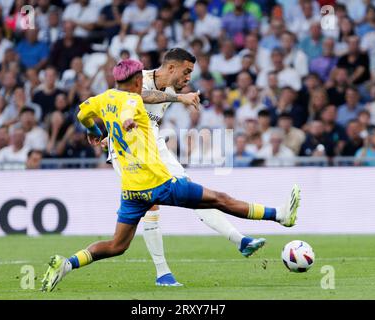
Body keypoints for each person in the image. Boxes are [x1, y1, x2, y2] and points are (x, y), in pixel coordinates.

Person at [41, 59, 301, 292]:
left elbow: (81, 112)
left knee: (117, 245)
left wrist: (94, 131)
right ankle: (279, 216)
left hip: (132, 192)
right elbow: (131, 108)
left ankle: (67, 264)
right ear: (136, 82)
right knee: (220, 198)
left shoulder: (102, 98)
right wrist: (128, 121)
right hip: (160, 185)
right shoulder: (132, 100)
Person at [107, 49, 263, 287]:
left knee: (193, 192)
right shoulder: (141, 79)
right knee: (151, 202)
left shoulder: (171, 90)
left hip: (154, 145)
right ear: (171, 68)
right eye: (186, 71)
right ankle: (163, 274)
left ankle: (240, 240)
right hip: (127, 150)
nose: (189, 78)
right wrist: (179, 98)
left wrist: (178, 96)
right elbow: (137, 96)